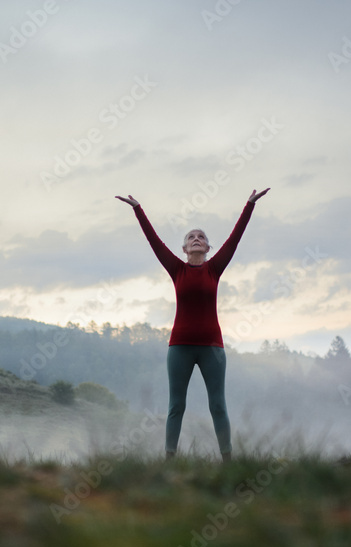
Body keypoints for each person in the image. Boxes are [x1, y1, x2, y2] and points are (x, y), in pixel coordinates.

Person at [115, 188, 270, 462]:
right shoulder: (177, 269)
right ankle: (170, 461)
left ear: (208, 248)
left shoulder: (214, 268)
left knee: (218, 406)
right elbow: (154, 241)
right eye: (191, 237)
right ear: (184, 249)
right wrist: (138, 208)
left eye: (201, 237)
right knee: (176, 406)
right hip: (180, 347)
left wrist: (249, 205)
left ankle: (228, 462)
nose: (196, 239)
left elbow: (235, 240)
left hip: (212, 348)